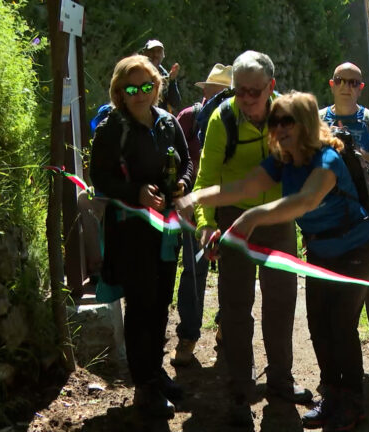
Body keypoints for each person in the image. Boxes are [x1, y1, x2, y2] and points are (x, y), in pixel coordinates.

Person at [176, 91, 369, 431]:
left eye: (288, 120)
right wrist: (197, 196)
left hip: (355, 249)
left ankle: (353, 403)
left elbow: (304, 201)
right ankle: (331, 396)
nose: (280, 127)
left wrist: (250, 218)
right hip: (320, 250)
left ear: (306, 123)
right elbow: (243, 187)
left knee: (341, 326)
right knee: (318, 324)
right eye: (275, 121)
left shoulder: (327, 159)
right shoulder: (283, 159)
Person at [190, 51, 311, 425]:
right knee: (235, 306)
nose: (245, 99)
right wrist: (205, 223)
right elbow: (206, 177)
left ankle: (280, 384)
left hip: (277, 219)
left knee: (281, 302)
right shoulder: (221, 119)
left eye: (253, 92)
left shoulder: (288, 117)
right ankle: (240, 390)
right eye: (239, 91)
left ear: (271, 87)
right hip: (233, 220)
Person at [89, 55, 193, 418]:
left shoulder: (167, 123)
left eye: (146, 86)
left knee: (161, 300)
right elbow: (99, 178)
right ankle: (144, 386)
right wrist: (136, 193)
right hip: (131, 232)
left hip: (165, 232)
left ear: (156, 87)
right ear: (119, 91)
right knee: (141, 305)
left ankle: (154, 372)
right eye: (131, 88)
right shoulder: (111, 128)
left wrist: (183, 183)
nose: (139, 94)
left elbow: (187, 160)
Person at [319, 62, 369, 374]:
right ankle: (335, 359)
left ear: (361, 87)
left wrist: (351, 149)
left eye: (354, 82)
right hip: (326, 214)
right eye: (341, 81)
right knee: (328, 286)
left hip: (366, 212)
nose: (347, 86)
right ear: (332, 84)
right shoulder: (318, 119)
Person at [170, 63, 232, 366]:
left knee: (230, 271)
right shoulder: (189, 118)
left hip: (230, 204)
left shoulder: (237, 117)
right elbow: (177, 158)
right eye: (217, 90)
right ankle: (189, 335)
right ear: (206, 91)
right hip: (195, 204)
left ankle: (225, 326)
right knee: (194, 272)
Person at [141, 39, 181, 112]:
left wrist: (172, 80)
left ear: (163, 55)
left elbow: (175, 103)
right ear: (144, 54)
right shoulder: (137, 72)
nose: (155, 55)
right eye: (152, 51)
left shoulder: (165, 75)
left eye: (159, 51)